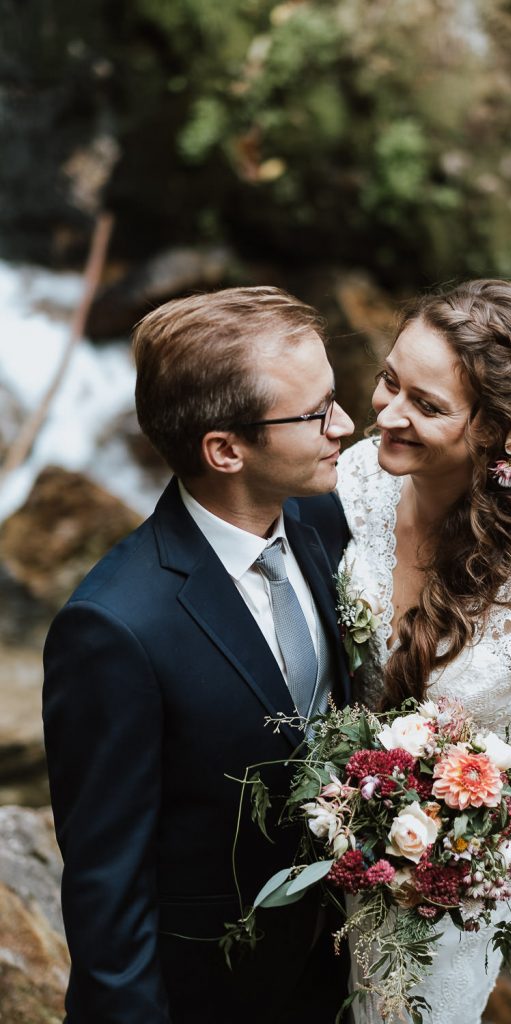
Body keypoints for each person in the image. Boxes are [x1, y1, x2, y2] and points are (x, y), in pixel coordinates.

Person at [42, 286, 355, 1024]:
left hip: (341, 967)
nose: (344, 425)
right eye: (315, 413)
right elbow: (107, 885)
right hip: (211, 993)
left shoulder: (323, 518)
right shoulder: (113, 628)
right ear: (225, 450)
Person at [335, 278, 511, 1024]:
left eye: (426, 405)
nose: (386, 415)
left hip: (432, 896)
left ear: (501, 433)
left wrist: (474, 819)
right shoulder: (356, 478)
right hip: (312, 845)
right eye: (389, 381)